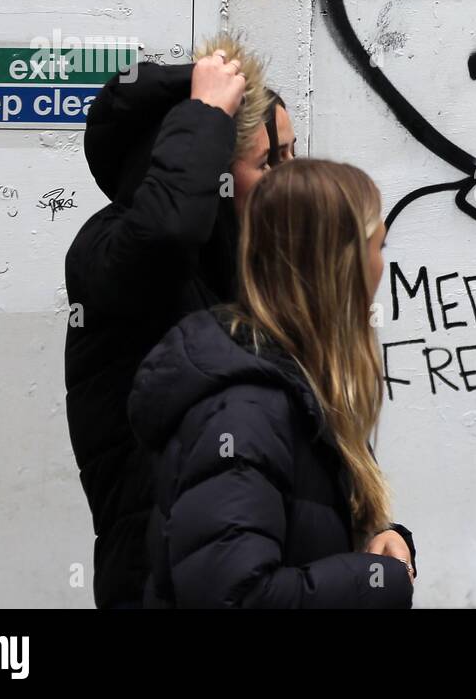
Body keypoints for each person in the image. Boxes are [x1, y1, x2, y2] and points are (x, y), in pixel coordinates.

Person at [64, 34, 295, 608]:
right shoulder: (110, 250)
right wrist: (205, 112)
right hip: (155, 584)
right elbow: (166, 234)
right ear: (209, 164)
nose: (292, 178)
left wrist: (376, 531)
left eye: (293, 154)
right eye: (270, 162)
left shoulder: (257, 279)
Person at [128, 159, 417, 608]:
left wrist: (378, 536)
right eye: (377, 246)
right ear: (340, 267)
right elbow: (234, 597)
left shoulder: (296, 384)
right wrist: (377, 580)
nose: (383, 266)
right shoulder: (246, 411)